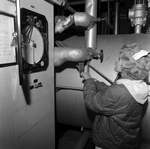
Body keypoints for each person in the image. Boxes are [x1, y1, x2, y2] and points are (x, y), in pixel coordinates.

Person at [81, 43, 150, 149]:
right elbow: (112, 93)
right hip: (125, 140)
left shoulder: (117, 91)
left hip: (109, 143)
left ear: (126, 67)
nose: (116, 61)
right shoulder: (137, 85)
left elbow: (92, 102)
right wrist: (97, 83)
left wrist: (89, 81)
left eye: (119, 59)